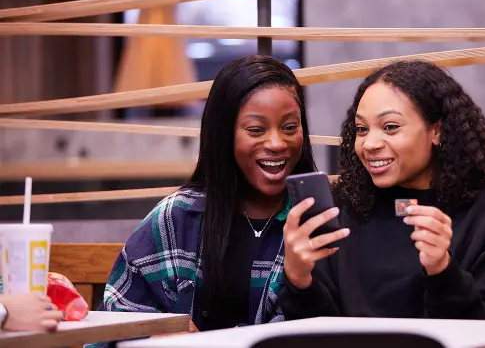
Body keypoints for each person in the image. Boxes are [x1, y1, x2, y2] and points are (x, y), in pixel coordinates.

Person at [89, 55, 316, 345]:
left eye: (289, 127)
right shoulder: (178, 219)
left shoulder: (317, 219)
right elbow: (109, 327)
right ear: (224, 135)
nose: (276, 143)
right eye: (256, 130)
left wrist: (300, 284)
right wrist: (152, 337)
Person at [281, 59, 485, 320]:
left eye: (390, 127)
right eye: (361, 129)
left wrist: (442, 269)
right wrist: (298, 278)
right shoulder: (345, 205)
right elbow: (318, 329)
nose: (370, 143)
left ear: (436, 131)